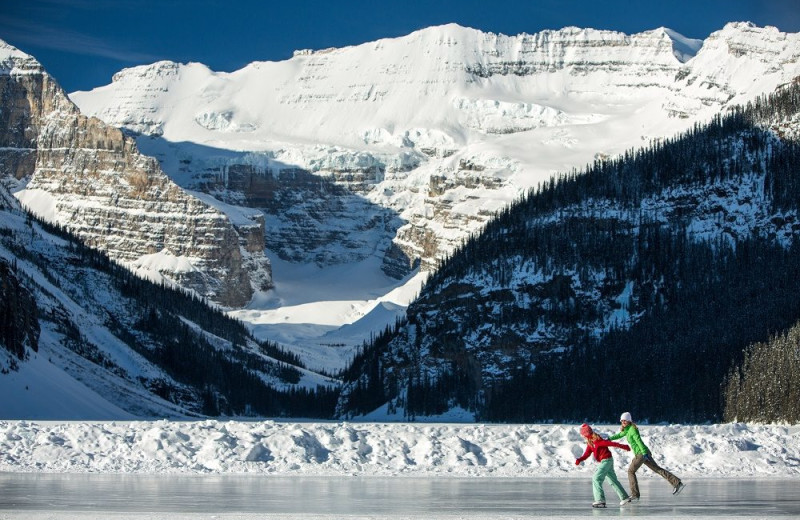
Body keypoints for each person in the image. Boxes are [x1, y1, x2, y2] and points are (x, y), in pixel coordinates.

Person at [609, 412, 685, 502]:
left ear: (629, 420)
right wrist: (609, 439)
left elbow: (639, 441)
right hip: (643, 453)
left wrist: (644, 453)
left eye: (625, 420)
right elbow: (619, 435)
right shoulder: (627, 430)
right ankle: (677, 483)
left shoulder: (632, 430)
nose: (623, 422)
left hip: (641, 453)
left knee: (631, 471)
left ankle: (635, 495)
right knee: (657, 469)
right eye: (622, 421)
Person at [574, 423, 632, 509]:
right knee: (612, 480)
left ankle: (600, 500)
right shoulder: (590, 443)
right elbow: (587, 454)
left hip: (606, 461)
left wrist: (624, 446)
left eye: (583, 434)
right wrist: (580, 459)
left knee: (596, 478)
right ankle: (625, 498)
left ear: (586, 434)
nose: (583, 436)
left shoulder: (598, 441)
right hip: (606, 461)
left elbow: (612, 444)